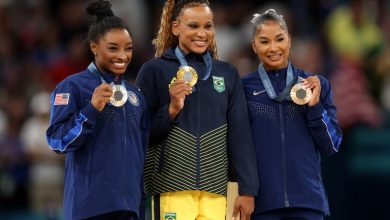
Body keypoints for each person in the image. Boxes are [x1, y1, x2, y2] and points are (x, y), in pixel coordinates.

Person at [135, 0, 258, 219]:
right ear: (175, 28)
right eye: (193, 26)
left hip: (215, 190)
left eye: (208, 26)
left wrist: (248, 189)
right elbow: (140, 133)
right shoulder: (154, 70)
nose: (202, 33)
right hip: (170, 186)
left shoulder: (227, 74)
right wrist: (171, 109)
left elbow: (240, 134)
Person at [45, 0, 149, 219]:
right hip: (89, 207)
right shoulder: (72, 87)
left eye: (128, 48)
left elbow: (142, 153)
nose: (122, 56)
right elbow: (57, 141)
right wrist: (90, 110)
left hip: (129, 208)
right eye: (113, 48)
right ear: (94, 47)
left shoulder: (136, 97)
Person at [241, 9, 343, 220]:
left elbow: (331, 146)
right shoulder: (243, 88)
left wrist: (314, 107)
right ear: (254, 46)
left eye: (279, 39)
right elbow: (238, 146)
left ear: (289, 40)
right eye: (264, 41)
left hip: (308, 203)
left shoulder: (315, 84)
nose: (273, 48)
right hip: (263, 205)